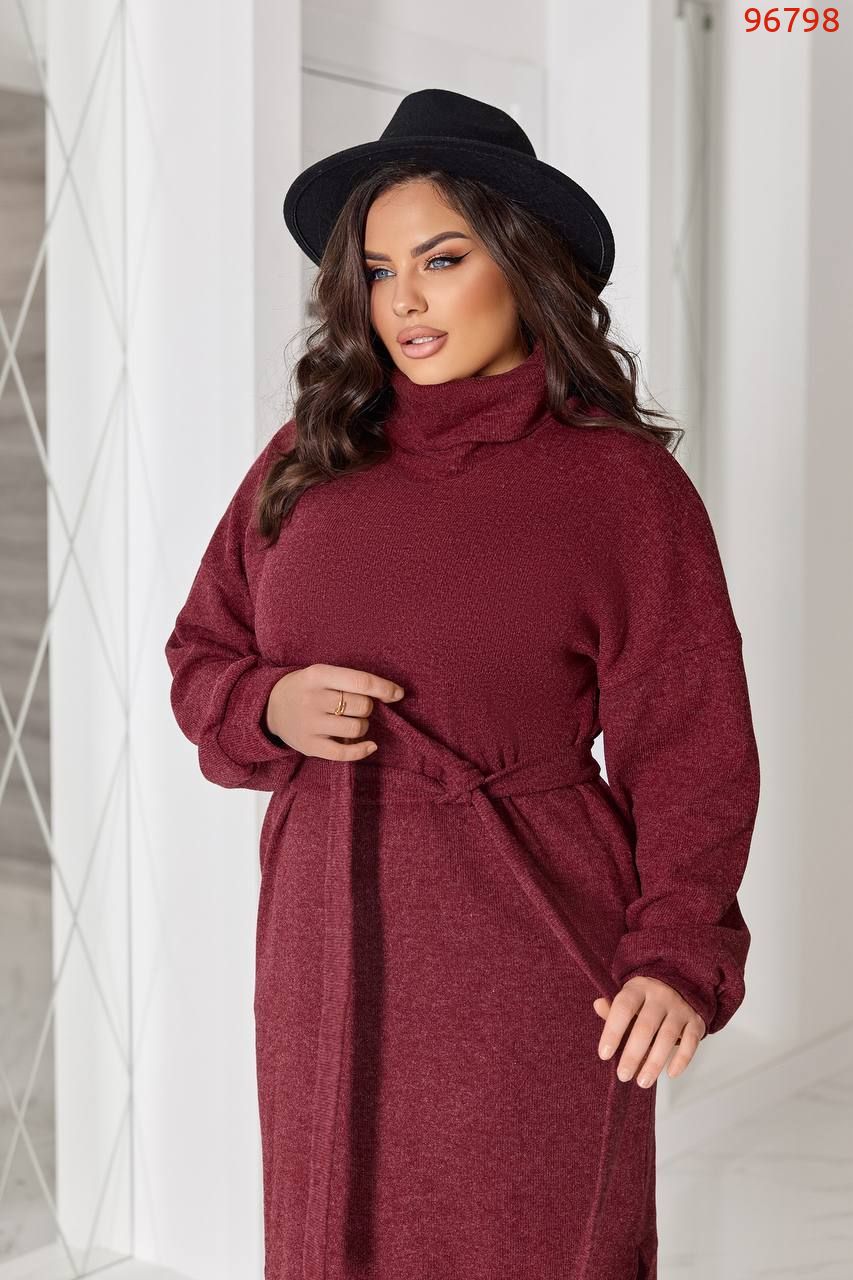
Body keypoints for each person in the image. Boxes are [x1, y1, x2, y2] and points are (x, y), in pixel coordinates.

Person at [164, 89, 760, 1280]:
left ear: (522, 265)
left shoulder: (619, 486)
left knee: (530, 1236)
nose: (405, 301)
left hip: (530, 938)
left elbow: (691, 741)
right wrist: (267, 706)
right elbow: (201, 652)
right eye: (379, 270)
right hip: (323, 929)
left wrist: (676, 951)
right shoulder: (307, 458)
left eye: (441, 260)